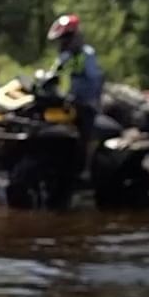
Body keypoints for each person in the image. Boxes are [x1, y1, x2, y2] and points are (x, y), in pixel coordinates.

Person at [47, 14, 104, 178]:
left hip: (87, 102)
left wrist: (92, 100)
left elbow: (96, 80)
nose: (62, 43)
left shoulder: (87, 55)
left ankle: (84, 170)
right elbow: (54, 72)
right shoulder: (66, 55)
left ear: (74, 36)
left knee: (85, 135)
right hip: (71, 100)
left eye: (65, 38)